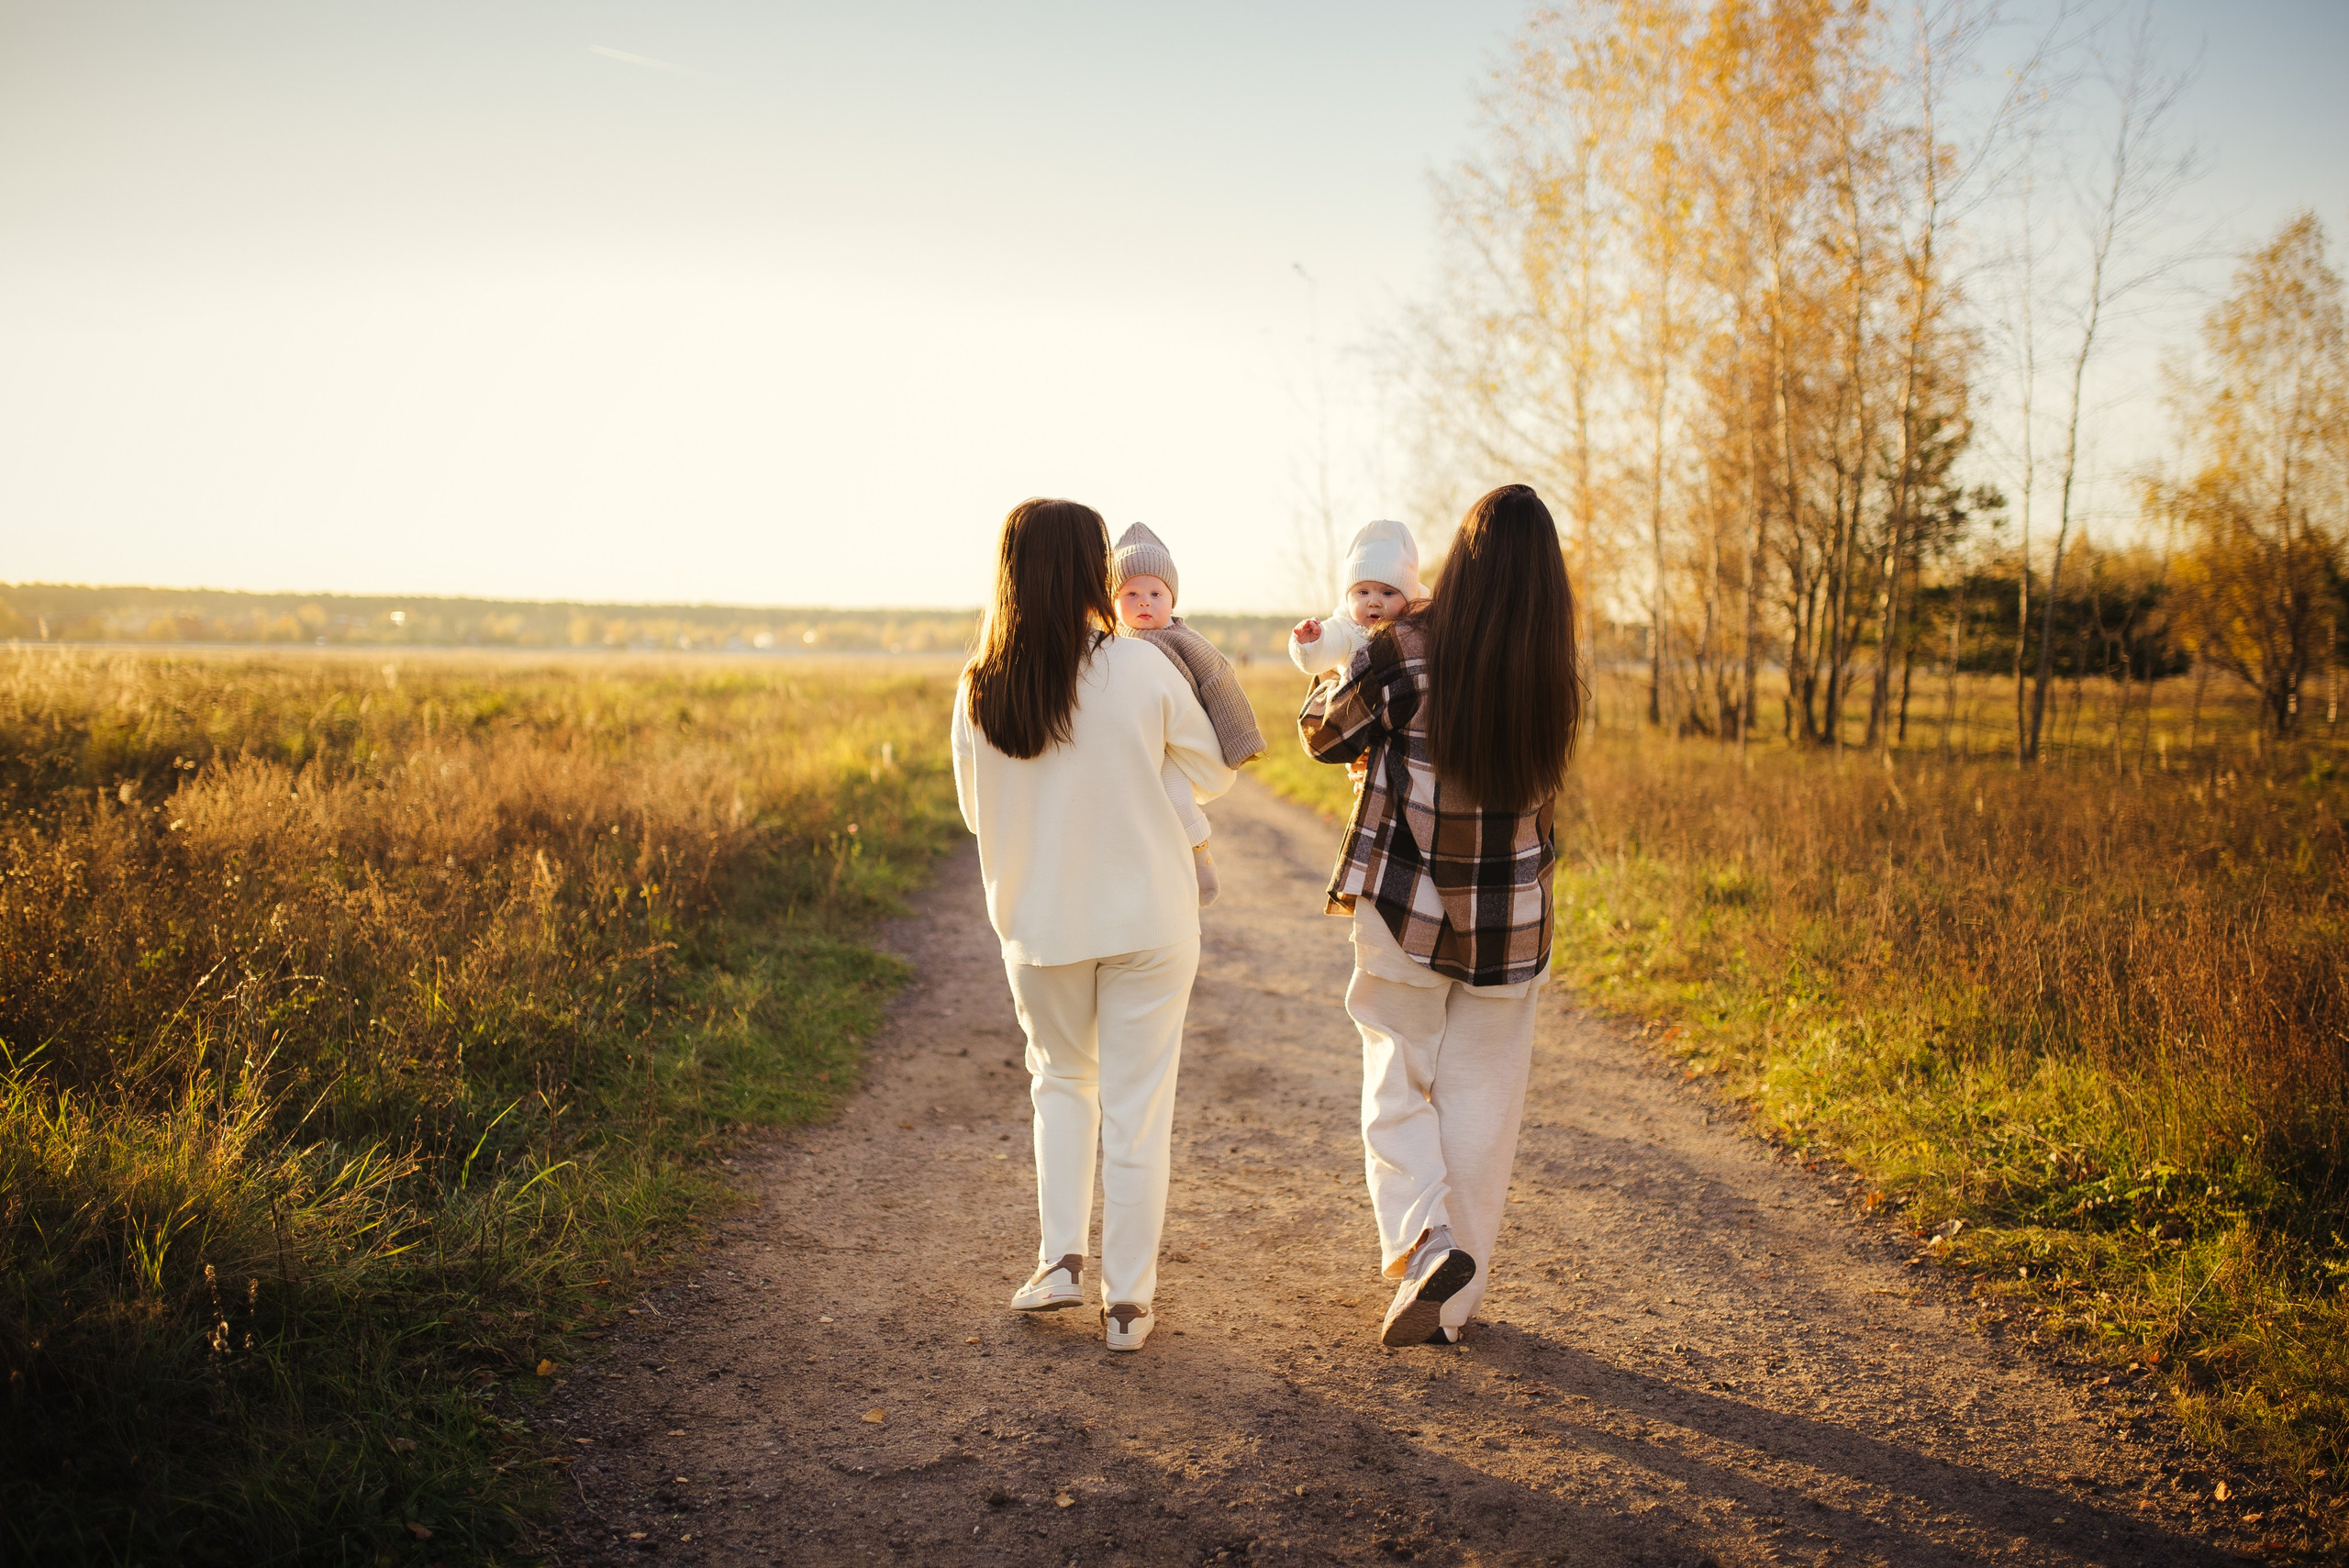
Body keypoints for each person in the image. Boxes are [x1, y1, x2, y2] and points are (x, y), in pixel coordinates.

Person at [1297, 484, 1584, 1348]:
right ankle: (1451, 1308)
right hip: (1511, 919)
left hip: (1407, 904)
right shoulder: (1552, 674)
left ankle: (1426, 1244)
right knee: (1483, 1108)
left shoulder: (1404, 647)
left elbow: (1324, 734)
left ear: (1457, 562)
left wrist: (1329, 666)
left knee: (1397, 1076)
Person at [952, 498, 1237, 1352]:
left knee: (1061, 1082)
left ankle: (1060, 1262)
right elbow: (1215, 773)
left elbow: (975, 814)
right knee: (1138, 1106)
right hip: (1151, 916)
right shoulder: (1142, 668)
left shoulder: (978, 685)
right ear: (1093, 571)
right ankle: (1129, 1305)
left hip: (1041, 923)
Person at [1108, 522, 1267, 907]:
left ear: (1173, 600)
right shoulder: (1108, 641)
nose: (1144, 601)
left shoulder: (1182, 639)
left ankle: (1200, 853)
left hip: (1176, 751)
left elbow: (1219, 683)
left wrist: (1241, 741)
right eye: (1131, 593)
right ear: (1111, 600)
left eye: (1155, 593)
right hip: (1133, 745)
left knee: (1176, 798)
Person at [1287, 519, 1428, 679]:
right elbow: (1319, 657)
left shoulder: (1419, 629)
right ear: (1348, 597)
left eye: (1387, 593)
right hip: (1360, 702)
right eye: (1363, 592)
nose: (1373, 602)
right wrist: (1310, 644)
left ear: (1409, 600)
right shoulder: (1346, 630)